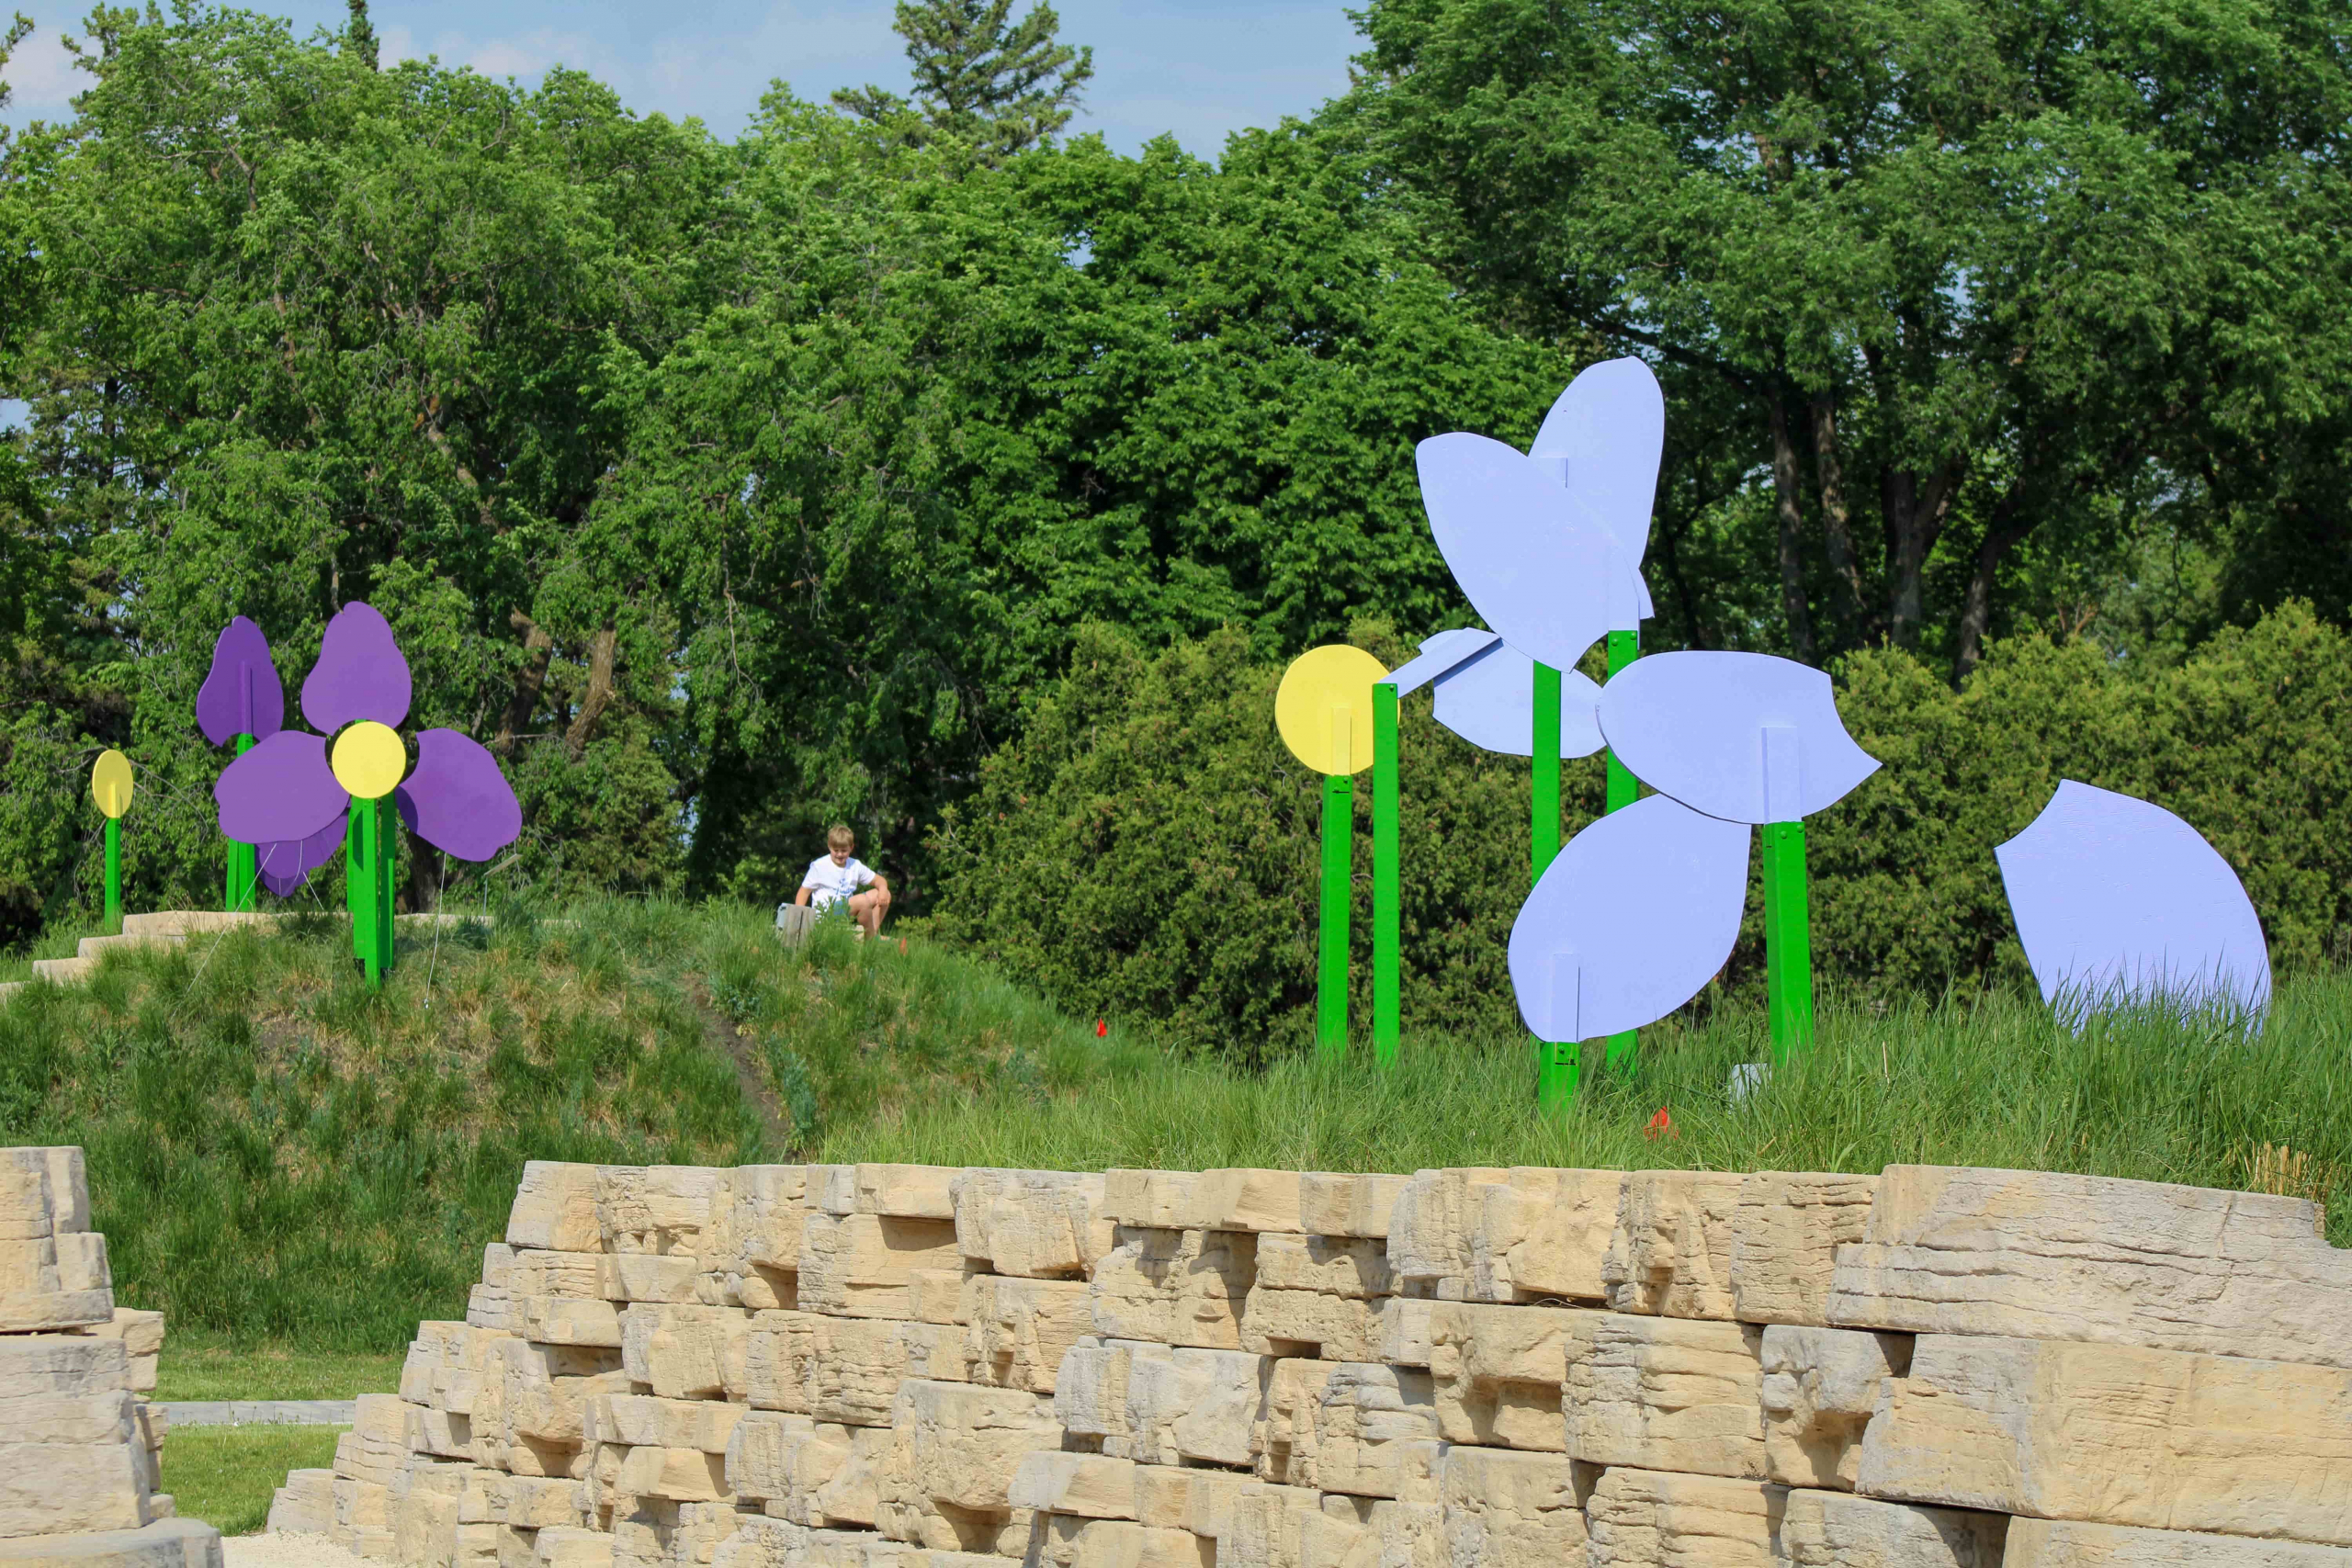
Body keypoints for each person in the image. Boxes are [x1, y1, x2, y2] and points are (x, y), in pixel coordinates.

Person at [793, 824, 891, 939]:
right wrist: (798, 920)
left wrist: (883, 889)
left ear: (851, 847)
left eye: (844, 851)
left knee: (885, 894)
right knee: (862, 901)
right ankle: (871, 939)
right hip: (826, 914)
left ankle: (871, 935)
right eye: (836, 850)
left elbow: (879, 880)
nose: (839, 854)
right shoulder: (819, 866)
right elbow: (803, 892)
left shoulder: (855, 865)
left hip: (846, 911)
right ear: (829, 846)